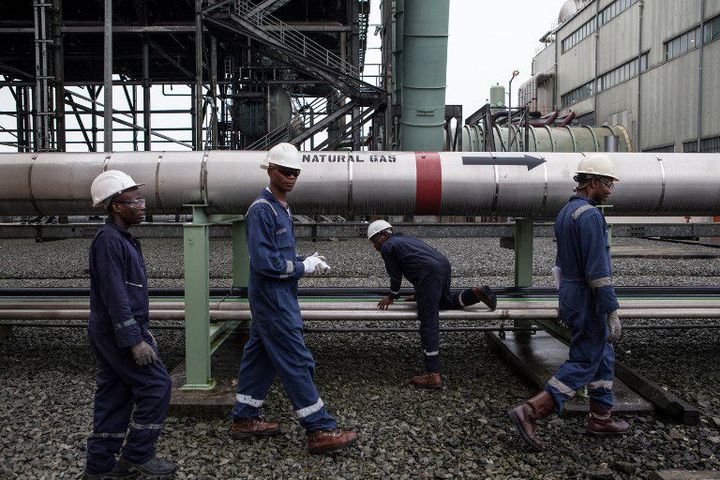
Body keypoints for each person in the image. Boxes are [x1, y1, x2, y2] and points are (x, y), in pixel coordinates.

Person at [229, 143, 357, 454]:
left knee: (259, 357)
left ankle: (244, 418)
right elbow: (264, 263)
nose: (291, 176)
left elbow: (279, 254)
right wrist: (303, 267)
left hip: (277, 297)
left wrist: (303, 258)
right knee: (297, 360)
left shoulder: (281, 208)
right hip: (273, 300)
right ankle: (320, 429)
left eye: (295, 172)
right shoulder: (262, 210)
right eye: (285, 171)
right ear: (270, 170)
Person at [508, 153, 630, 451]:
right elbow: (599, 271)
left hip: (572, 292)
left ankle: (601, 416)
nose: (611, 190)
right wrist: (610, 308)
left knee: (602, 353)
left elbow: (561, 263)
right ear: (592, 183)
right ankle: (531, 411)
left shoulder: (566, 212)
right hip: (588, 296)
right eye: (608, 183)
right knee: (586, 358)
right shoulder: (590, 216)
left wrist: (566, 299)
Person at [84, 170, 177, 479]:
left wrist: (140, 330)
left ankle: (99, 468)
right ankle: (138, 454)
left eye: (141, 199)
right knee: (157, 386)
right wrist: (134, 339)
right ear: (115, 206)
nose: (141, 205)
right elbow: (115, 295)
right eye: (133, 200)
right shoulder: (110, 242)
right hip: (116, 332)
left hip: (113, 330)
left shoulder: (120, 239)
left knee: (115, 395)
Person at [368, 220, 497, 389]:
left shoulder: (387, 247)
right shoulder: (406, 239)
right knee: (443, 302)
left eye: (375, 241)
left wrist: (392, 296)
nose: (376, 247)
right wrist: (421, 293)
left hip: (428, 274)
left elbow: (395, 275)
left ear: (384, 235)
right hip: (442, 265)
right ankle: (474, 294)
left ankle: (433, 374)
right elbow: (417, 261)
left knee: (428, 321)